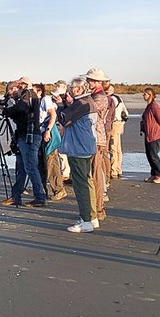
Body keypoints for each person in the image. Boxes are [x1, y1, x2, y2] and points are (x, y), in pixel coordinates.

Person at [56, 76, 102, 232]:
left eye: (74, 88)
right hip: (85, 147)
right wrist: (67, 104)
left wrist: (60, 105)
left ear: (81, 89)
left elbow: (64, 119)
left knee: (81, 183)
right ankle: (91, 217)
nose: (71, 90)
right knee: (86, 181)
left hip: (79, 148)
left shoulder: (83, 103)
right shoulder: (85, 102)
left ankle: (87, 220)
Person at [0, 76, 47, 208]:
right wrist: (7, 110)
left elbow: (20, 108)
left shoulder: (28, 94)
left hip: (29, 136)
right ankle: (16, 196)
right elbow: (20, 114)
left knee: (30, 166)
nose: (14, 92)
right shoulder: (27, 96)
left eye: (17, 88)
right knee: (22, 168)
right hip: (24, 135)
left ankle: (39, 196)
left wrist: (6, 110)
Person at [84, 68, 115, 219]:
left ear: (96, 82)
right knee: (93, 173)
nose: (87, 82)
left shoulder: (100, 97)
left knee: (95, 174)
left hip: (96, 138)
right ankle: (96, 208)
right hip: (95, 137)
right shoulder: (96, 95)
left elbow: (89, 111)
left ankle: (97, 209)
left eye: (90, 80)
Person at [36, 83, 66, 201]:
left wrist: (48, 130)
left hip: (49, 135)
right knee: (44, 162)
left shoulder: (45, 100)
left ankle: (58, 190)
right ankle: (47, 189)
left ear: (39, 92)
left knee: (51, 162)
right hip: (43, 134)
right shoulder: (39, 102)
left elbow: (52, 114)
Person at [139, 87, 160, 184]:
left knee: (153, 155)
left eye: (145, 94)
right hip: (148, 134)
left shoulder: (154, 105)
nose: (143, 96)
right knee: (149, 155)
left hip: (154, 134)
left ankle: (159, 175)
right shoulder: (149, 106)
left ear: (150, 95)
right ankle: (154, 174)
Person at [108, 85, 129, 179]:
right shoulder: (119, 98)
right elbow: (126, 113)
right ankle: (118, 169)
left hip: (114, 123)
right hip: (119, 122)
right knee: (118, 148)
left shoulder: (111, 99)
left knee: (113, 147)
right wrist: (123, 124)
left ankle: (113, 171)